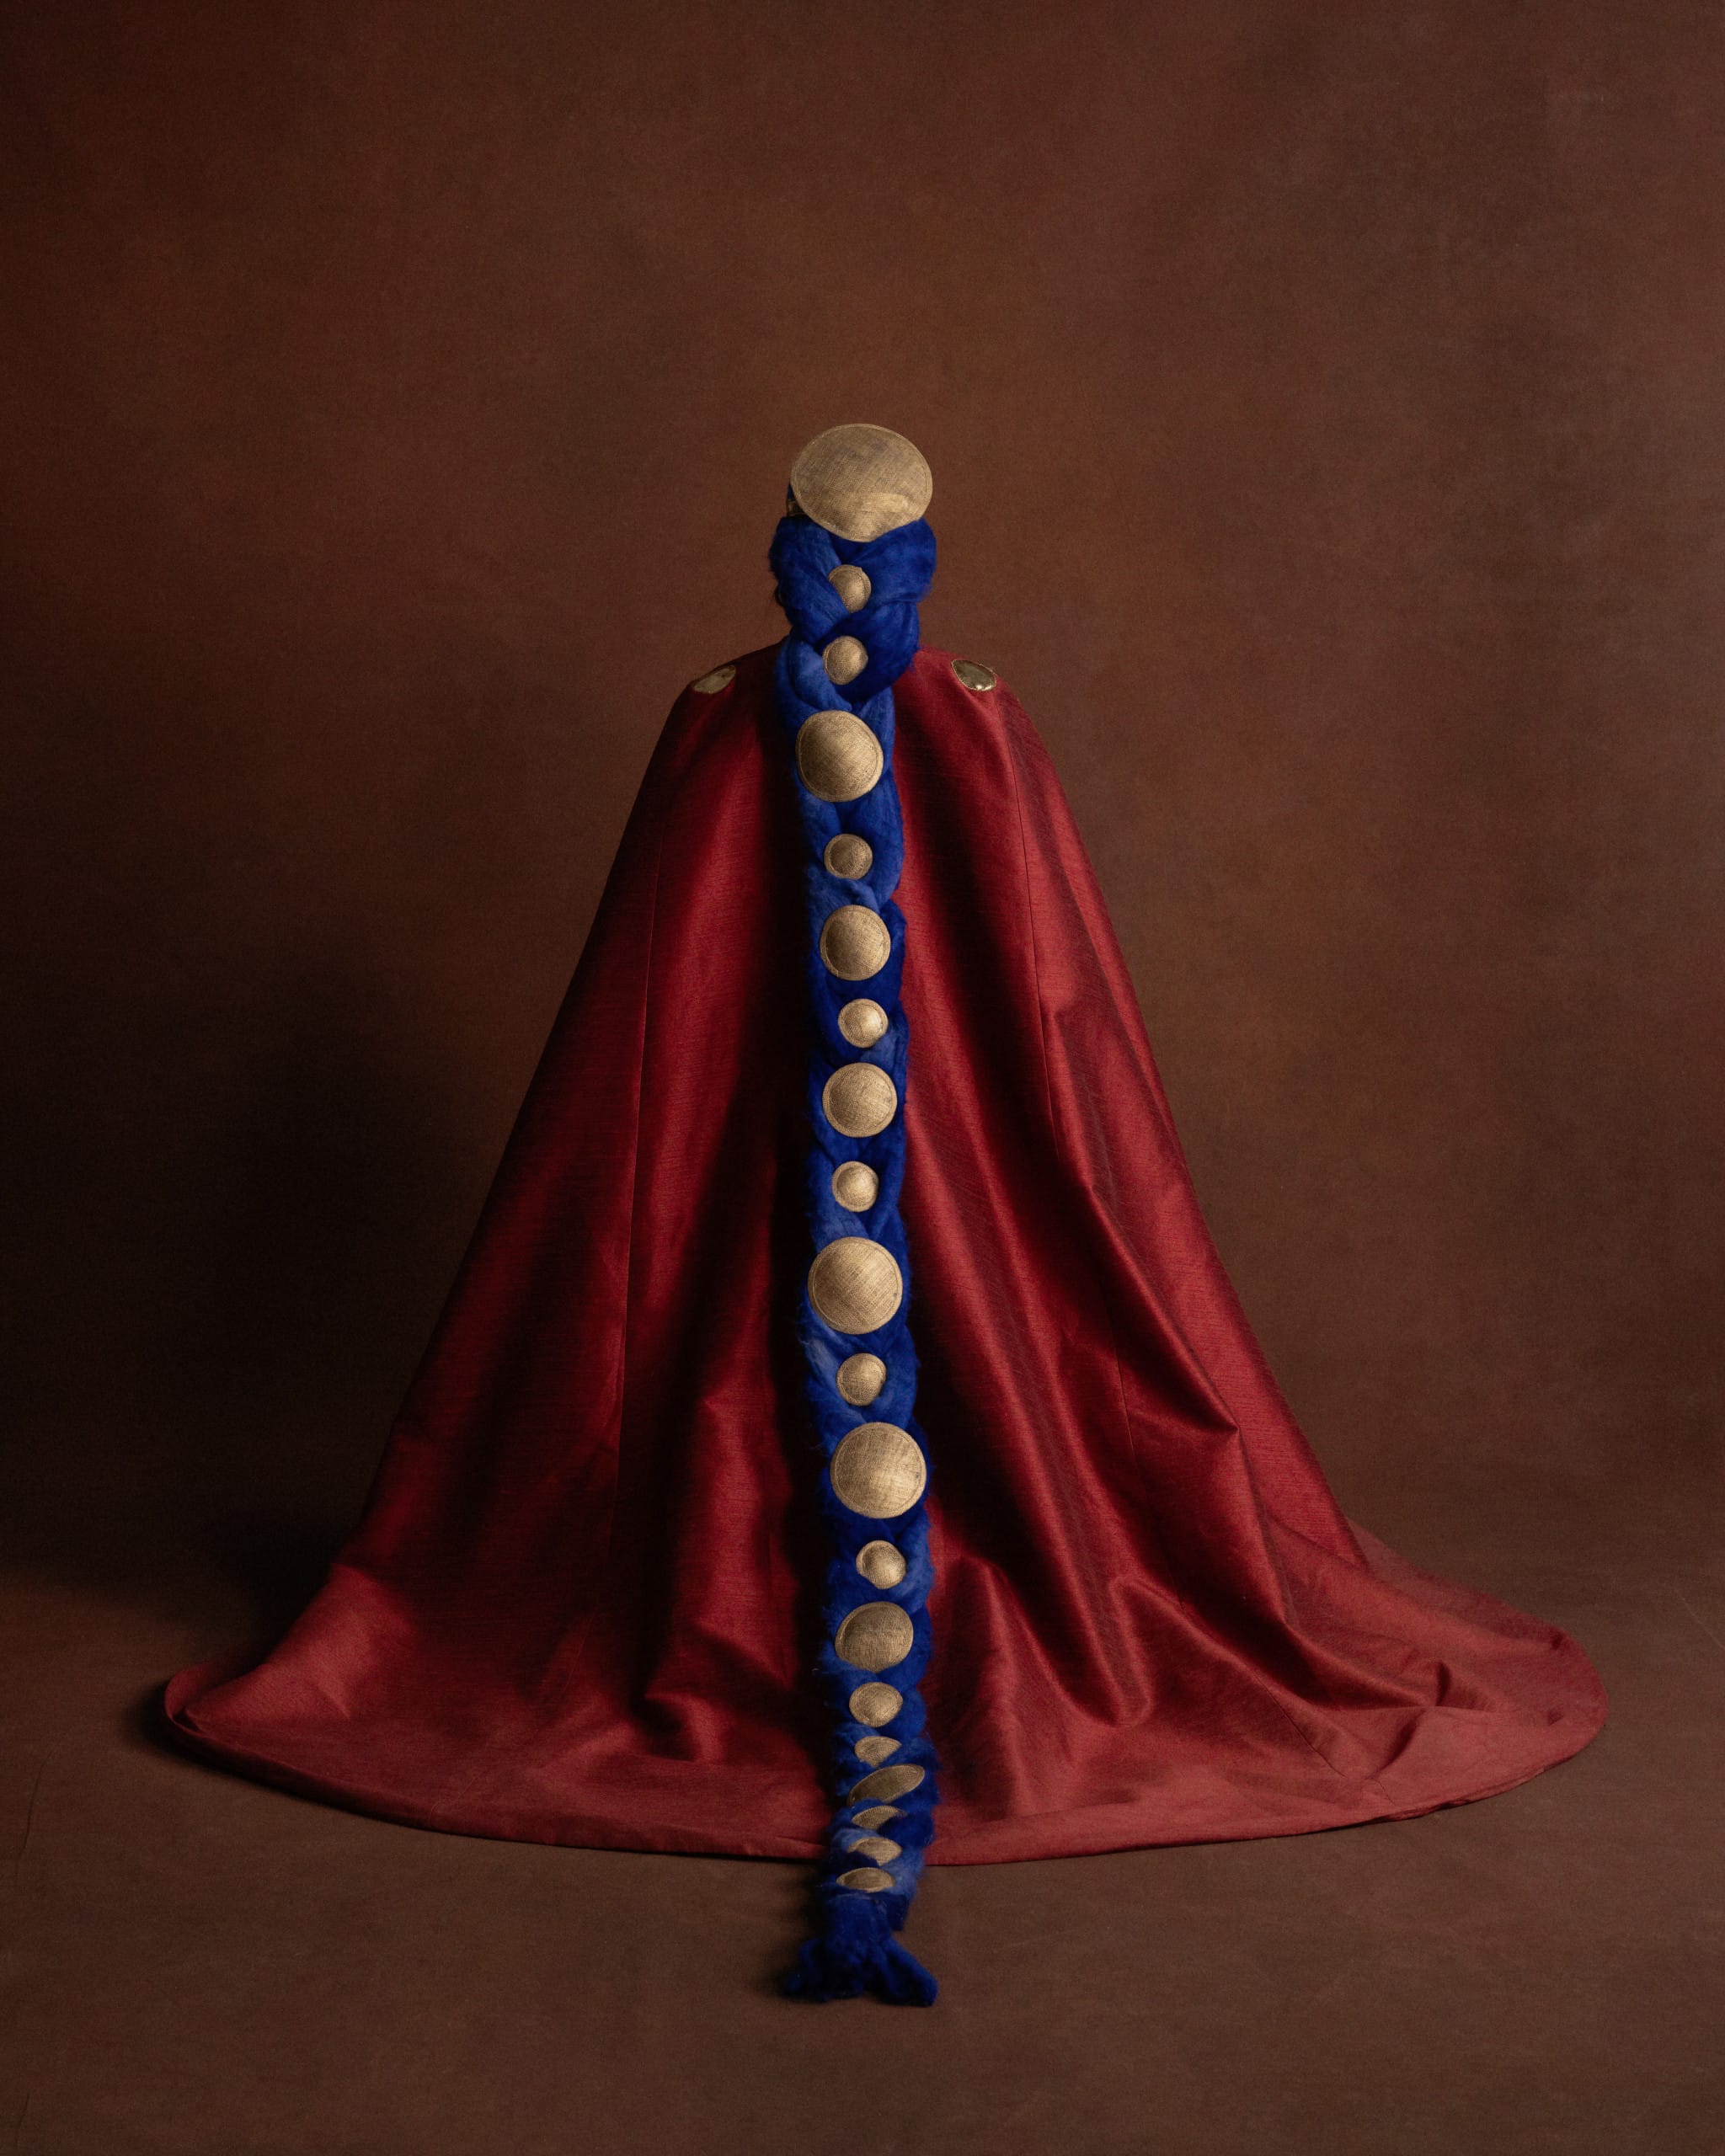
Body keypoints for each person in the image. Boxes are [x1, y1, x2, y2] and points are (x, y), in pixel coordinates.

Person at [168, 424, 1606, 2006]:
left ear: (785, 544)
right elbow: (1035, 1027)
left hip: (810, 1220)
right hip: (797, 1212)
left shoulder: (776, 719)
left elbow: (667, 1049)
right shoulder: (915, 720)